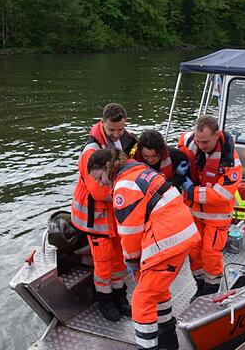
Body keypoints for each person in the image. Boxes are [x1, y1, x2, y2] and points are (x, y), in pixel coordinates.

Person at [87, 149, 200, 350]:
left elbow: (130, 233)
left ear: (107, 167)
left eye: (99, 177)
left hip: (166, 241)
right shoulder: (139, 170)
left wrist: (132, 262)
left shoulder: (124, 186)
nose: (100, 183)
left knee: (141, 300)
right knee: (158, 291)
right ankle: (167, 341)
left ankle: (148, 346)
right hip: (182, 234)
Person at [70, 103, 138, 321]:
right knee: (103, 261)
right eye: (112, 130)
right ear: (102, 124)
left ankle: (120, 296)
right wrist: (129, 195)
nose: (117, 133)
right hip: (96, 217)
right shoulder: (90, 151)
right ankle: (105, 300)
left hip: (115, 215)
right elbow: (98, 191)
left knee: (119, 258)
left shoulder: (125, 141)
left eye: (120, 129)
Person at [178, 115, 242, 298]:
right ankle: (200, 285)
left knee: (211, 252)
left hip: (217, 216)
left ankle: (211, 289)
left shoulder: (231, 163)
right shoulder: (191, 142)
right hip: (194, 213)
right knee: (194, 251)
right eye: (198, 141)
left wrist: (191, 190)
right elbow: (181, 143)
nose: (201, 145)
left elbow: (221, 194)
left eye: (205, 142)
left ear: (217, 135)